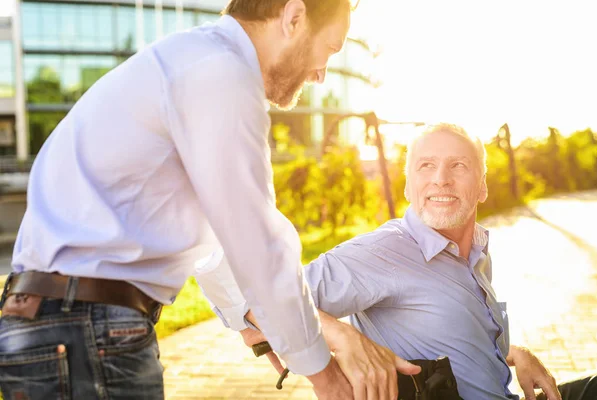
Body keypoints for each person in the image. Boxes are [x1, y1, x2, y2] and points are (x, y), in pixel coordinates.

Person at [0, 1, 405, 399]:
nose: (321, 75)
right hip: (84, 329)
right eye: (330, 49)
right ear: (294, 16)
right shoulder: (222, 72)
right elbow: (256, 239)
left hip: (52, 326)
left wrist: (250, 320)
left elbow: (214, 237)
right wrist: (327, 378)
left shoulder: (192, 60)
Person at [201, 123, 597, 400]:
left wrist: (516, 354)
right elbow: (249, 295)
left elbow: (456, 334)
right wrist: (340, 335)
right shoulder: (384, 251)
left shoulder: (474, 251)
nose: (441, 178)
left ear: (482, 187)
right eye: (426, 165)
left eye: (458, 166)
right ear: (408, 184)